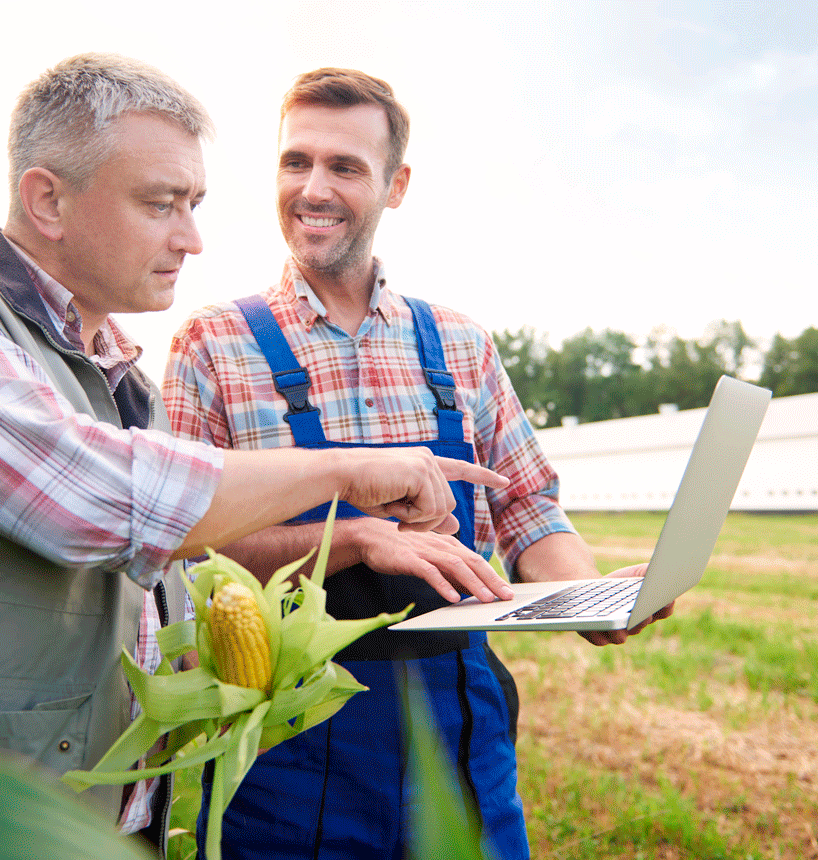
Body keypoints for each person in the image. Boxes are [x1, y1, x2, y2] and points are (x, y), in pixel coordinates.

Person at [0, 54, 510, 853]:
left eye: (195, 204)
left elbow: (166, 581)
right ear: (48, 199)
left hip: (71, 825)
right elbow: (94, 498)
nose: (193, 238)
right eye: (162, 204)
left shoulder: (121, 380)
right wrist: (347, 473)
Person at [164, 68, 674, 860]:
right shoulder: (214, 344)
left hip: (459, 720)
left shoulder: (460, 345)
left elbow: (530, 509)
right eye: (295, 162)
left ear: (396, 185)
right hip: (290, 730)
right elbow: (186, 542)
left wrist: (591, 598)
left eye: (345, 167)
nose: (313, 188)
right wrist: (354, 539)